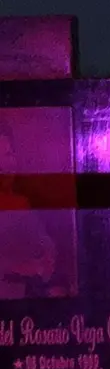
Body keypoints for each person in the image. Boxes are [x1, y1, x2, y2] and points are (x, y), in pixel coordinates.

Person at [0, 121, 58, 300]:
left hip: (26, 295)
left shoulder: (22, 203)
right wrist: (22, 267)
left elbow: (43, 241)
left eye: (9, 154)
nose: (6, 164)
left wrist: (47, 257)